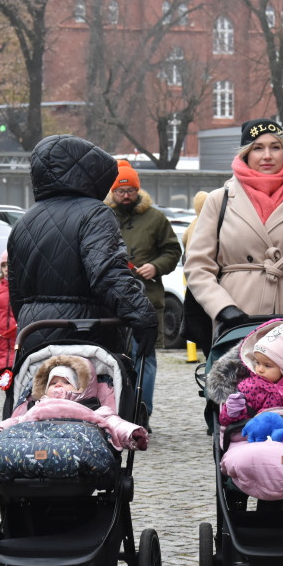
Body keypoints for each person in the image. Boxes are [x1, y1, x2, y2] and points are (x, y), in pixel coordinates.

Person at [183, 118, 283, 337]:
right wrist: (223, 308)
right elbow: (198, 266)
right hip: (235, 322)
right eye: (258, 148)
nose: (267, 155)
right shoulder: (219, 200)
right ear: (246, 154)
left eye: (275, 147)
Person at [8, 134, 157, 358]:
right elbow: (107, 273)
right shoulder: (94, 213)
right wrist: (143, 316)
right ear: (91, 173)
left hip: (34, 331)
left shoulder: (24, 222)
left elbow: (15, 290)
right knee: (88, 392)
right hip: (85, 331)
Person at [104, 160, 182, 429]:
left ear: (138, 190)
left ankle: (140, 414)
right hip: (111, 301)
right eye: (120, 191)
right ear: (112, 192)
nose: (126, 196)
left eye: (131, 190)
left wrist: (156, 266)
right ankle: (112, 413)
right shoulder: (103, 216)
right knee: (110, 358)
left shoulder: (156, 218)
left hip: (147, 300)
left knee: (145, 358)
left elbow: (173, 251)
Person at [0, 355, 148, 451]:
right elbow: (16, 422)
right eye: (53, 383)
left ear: (80, 388)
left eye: (66, 382)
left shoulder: (95, 410)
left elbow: (115, 424)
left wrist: (132, 433)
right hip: (36, 451)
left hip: (81, 452)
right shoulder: (35, 407)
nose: (58, 385)